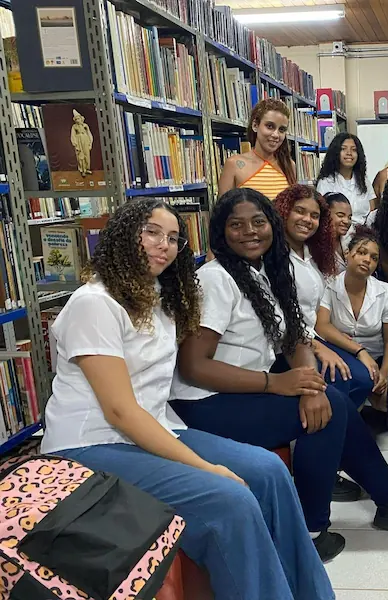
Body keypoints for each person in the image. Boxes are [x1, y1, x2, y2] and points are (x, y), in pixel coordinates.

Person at [40, 199, 334, 600]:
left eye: (174, 238)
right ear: (124, 234)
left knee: (269, 471)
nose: (164, 245)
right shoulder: (94, 303)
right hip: (92, 444)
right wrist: (206, 467)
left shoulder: (159, 296)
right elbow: (120, 411)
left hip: (156, 427)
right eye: (152, 232)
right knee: (230, 499)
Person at [171, 189, 388, 564]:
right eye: (236, 225)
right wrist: (277, 384)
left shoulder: (263, 272)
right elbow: (193, 366)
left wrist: (310, 385)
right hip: (203, 402)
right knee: (328, 414)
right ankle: (312, 531)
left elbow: (295, 336)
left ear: (272, 224)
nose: (249, 232)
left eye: (258, 222)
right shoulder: (216, 279)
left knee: (331, 401)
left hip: (242, 389)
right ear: (220, 231)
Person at [273, 184, 373, 410]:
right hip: (287, 346)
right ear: (284, 211)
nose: (307, 220)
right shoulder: (273, 257)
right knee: (341, 379)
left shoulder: (313, 253)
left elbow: (313, 310)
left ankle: (339, 420)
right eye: (300, 211)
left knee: (363, 379)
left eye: (315, 216)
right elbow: (283, 318)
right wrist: (318, 347)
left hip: (312, 335)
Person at [315, 226, 388, 412]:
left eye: (374, 258)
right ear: (347, 254)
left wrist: (384, 374)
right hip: (341, 354)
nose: (367, 259)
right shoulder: (330, 284)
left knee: (387, 401)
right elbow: (322, 326)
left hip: (377, 359)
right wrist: (359, 351)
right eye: (361, 252)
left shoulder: (384, 291)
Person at [217, 98, 296, 199]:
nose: (276, 135)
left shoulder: (289, 165)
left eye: (282, 130)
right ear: (255, 125)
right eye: (270, 126)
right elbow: (223, 207)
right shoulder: (234, 165)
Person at [315, 132, 374, 225]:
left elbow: (372, 211)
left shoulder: (364, 181)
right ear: (335, 153)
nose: (349, 153)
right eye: (343, 149)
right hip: (337, 230)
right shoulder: (326, 182)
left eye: (354, 150)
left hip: (363, 230)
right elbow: (323, 213)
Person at [325, 192, 353, 274]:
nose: (346, 221)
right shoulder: (315, 245)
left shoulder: (350, 239)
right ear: (326, 215)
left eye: (349, 217)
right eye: (340, 215)